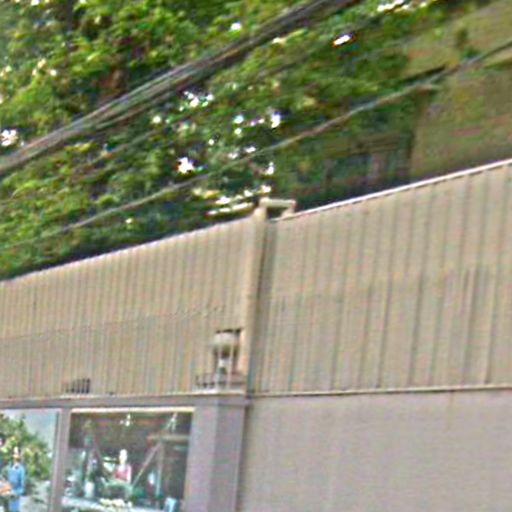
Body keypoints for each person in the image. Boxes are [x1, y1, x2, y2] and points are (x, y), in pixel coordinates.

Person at [6, 448, 25, 512]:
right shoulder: (10, 467)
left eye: (16, 453)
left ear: (20, 455)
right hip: (8, 497)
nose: (14, 455)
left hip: (15, 498)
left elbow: (22, 488)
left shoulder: (21, 470)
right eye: (14, 453)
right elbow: (8, 481)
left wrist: (14, 493)